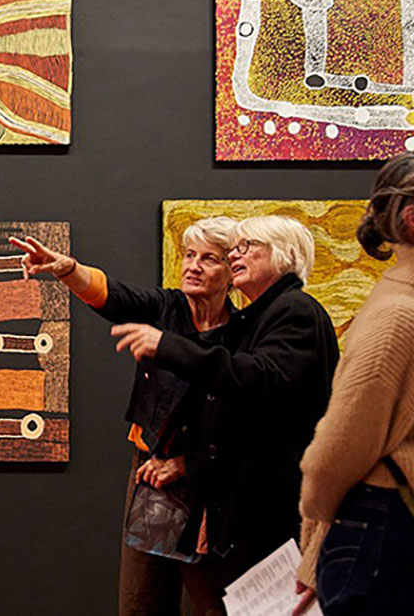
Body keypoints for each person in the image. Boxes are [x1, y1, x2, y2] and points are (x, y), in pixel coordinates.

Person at [110, 215, 339, 616]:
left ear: (284, 256)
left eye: (248, 247)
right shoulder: (262, 315)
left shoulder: (294, 311)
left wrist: (169, 347)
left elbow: (258, 384)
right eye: (233, 248)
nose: (237, 254)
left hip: (266, 507)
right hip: (227, 494)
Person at [12, 217, 238, 616]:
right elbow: (113, 297)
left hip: (211, 481)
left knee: (213, 602)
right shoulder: (166, 307)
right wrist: (66, 267)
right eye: (188, 255)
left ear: (231, 272)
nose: (193, 266)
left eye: (208, 258)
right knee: (142, 600)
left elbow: (248, 422)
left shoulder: (242, 334)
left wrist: (187, 464)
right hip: (150, 472)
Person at [294, 155, 414, 615]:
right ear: (410, 219)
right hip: (380, 533)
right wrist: (315, 549)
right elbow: (334, 457)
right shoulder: (397, 317)